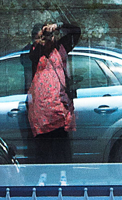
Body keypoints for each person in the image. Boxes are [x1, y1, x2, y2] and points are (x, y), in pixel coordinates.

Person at [27, 21, 81, 164]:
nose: (47, 38)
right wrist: (43, 38)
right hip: (42, 110)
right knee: (44, 148)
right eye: (42, 36)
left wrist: (59, 25)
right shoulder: (35, 51)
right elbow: (35, 52)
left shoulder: (61, 47)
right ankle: (44, 179)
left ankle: (63, 177)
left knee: (62, 147)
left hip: (59, 106)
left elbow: (76, 31)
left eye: (49, 35)